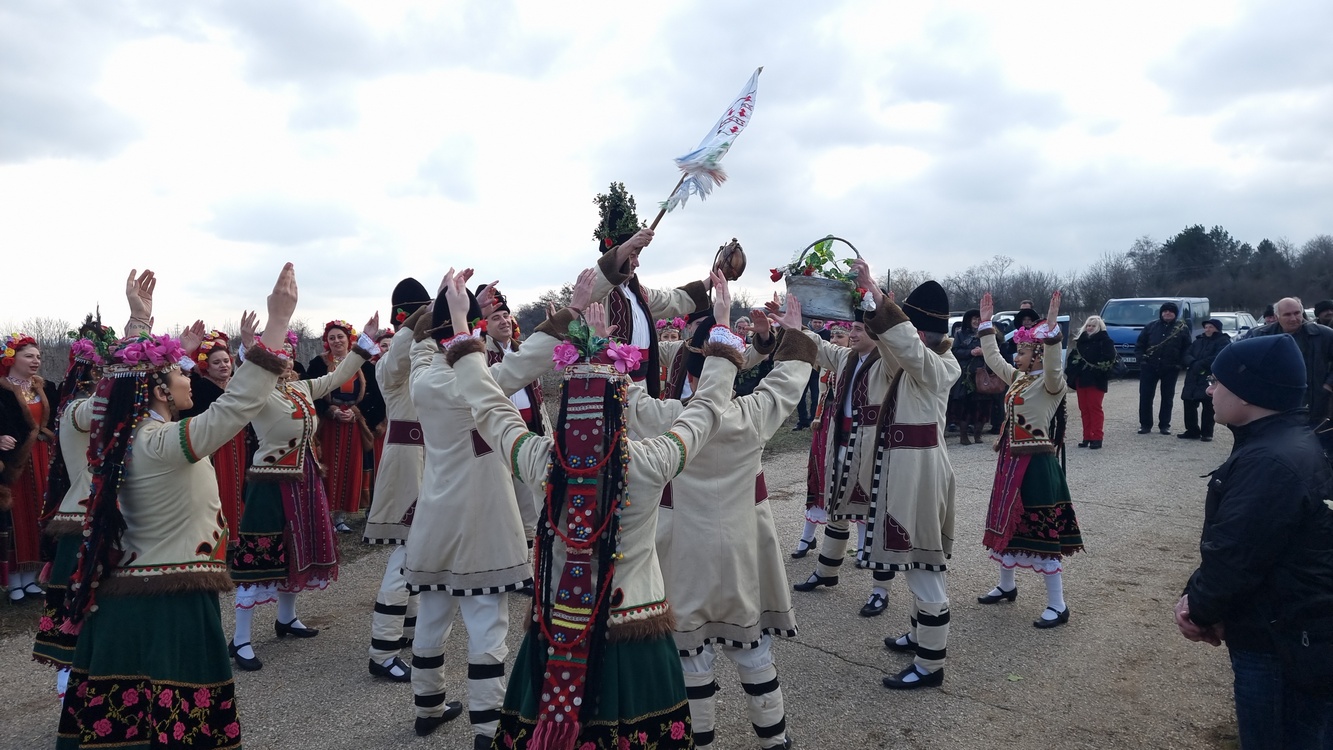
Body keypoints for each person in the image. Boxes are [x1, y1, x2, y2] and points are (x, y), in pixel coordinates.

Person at [447, 276, 743, 750]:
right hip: (635, 630)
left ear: (566, 409)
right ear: (622, 409)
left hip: (558, 626)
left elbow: (486, 406)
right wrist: (723, 332)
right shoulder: (650, 461)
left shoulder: (544, 461)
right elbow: (706, 409)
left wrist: (462, 322)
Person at [56, 263, 298, 749]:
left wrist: (139, 326)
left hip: (121, 597)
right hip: (172, 602)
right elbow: (236, 407)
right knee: (179, 718)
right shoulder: (162, 442)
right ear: (161, 391)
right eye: (180, 372)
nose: (190, 375)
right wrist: (276, 323)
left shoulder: (118, 436)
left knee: (123, 720)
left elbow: (118, 387)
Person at [404, 268, 595, 746]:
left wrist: (454, 307)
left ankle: (427, 705)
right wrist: (571, 310)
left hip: (434, 515)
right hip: (482, 516)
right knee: (487, 623)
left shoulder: (424, 379)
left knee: (431, 616)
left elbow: (423, 344)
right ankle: (487, 727)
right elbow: (527, 361)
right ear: (468, 336)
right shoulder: (477, 382)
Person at [623, 297, 814, 749]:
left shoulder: (664, 418)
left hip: (683, 551)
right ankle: (776, 741)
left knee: (691, 657)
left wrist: (618, 326)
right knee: (754, 652)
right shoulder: (750, 415)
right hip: (742, 549)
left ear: (689, 372)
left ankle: (701, 742)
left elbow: (626, 394)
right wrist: (792, 333)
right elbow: (789, 379)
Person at [1175, 334, 1333, 748]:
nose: (1208, 389)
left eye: (1216, 380)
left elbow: (1236, 555)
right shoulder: (1286, 443)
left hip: (1279, 645)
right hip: (1289, 632)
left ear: (1247, 391)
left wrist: (1199, 607)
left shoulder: (1270, 462)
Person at [820, 267, 960, 690]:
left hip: (919, 477)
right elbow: (872, 347)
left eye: (913, 328)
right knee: (914, 561)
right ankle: (919, 637)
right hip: (904, 474)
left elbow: (910, 353)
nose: (908, 336)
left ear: (926, 333)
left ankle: (930, 666)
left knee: (924, 566)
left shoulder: (942, 365)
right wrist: (870, 303)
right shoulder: (904, 359)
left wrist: (882, 301)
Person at [229, 312, 380, 672]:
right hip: (269, 482)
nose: (282, 359)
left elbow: (339, 376)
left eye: (285, 353)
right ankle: (240, 640)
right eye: (275, 354)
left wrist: (363, 345)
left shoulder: (301, 387)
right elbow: (241, 381)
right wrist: (249, 347)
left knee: (299, 550)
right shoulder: (257, 392)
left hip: (305, 475)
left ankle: (286, 618)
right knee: (261, 556)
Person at [975, 291, 1083, 631]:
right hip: (1010, 460)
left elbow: (1054, 365)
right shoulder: (1019, 379)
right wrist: (987, 325)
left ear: (1037, 355)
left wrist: (1051, 332)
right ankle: (1007, 585)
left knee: (1041, 530)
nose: (1016, 355)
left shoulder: (1052, 384)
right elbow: (993, 361)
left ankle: (1058, 604)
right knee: (1006, 521)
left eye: (1022, 350)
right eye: (1018, 350)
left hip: (1036, 463)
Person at [31, 310, 125, 700]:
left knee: (104, 607)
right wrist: (138, 328)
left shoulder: (105, 411)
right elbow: (111, 398)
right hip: (83, 520)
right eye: (105, 372)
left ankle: (103, 681)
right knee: (79, 604)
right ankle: (70, 686)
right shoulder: (80, 410)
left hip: (103, 518)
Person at [363, 278, 432, 683]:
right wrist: (430, 311)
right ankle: (383, 648)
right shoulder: (388, 366)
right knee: (405, 555)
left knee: (418, 550)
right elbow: (404, 347)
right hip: (407, 463)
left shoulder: (424, 364)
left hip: (427, 460)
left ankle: (406, 631)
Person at [592, 227, 713, 396]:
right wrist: (629, 245)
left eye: (637, 256)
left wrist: (712, 280)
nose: (637, 263)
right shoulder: (598, 291)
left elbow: (673, 299)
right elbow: (597, 281)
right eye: (632, 256)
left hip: (642, 383)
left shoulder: (640, 293)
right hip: (610, 383)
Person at [479, 283, 549, 548]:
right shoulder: (481, 353)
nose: (504, 321)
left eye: (506, 315)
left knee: (531, 496)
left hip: (531, 427)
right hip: (499, 432)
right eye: (495, 317)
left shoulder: (522, 349)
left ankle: (529, 559)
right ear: (484, 324)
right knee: (504, 500)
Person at [1, 330, 59, 602]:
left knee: (39, 512)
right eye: (29, 356)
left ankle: (30, 579)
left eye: (38, 356)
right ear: (12, 358)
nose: (36, 361)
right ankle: (13, 581)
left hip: (42, 458)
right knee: (16, 516)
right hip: (13, 463)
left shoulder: (44, 387)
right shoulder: (1, 389)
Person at [305, 319, 375, 533]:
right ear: (327, 341)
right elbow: (310, 391)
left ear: (348, 339)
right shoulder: (318, 364)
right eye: (331, 337)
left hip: (353, 425)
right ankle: (323, 515)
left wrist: (356, 412)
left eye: (340, 337)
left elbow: (373, 394)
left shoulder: (362, 364)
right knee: (327, 467)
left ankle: (340, 517)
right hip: (328, 425)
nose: (336, 341)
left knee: (348, 467)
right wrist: (331, 410)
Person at [181, 329, 248, 547]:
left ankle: (239, 537)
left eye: (226, 361)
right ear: (206, 367)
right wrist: (185, 352)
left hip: (240, 444)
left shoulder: (236, 384)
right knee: (216, 490)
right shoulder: (200, 387)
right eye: (216, 362)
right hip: (214, 447)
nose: (223, 365)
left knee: (241, 489)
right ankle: (218, 541)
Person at [1247, 297, 1333, 456]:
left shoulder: (1323, 335)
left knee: (1317, 454)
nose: (1294, 318)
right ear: (1276, 316)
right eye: (1287, 314)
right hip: (1273, 407)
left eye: (1297, 313)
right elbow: (1245, 366)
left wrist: (1328, 385)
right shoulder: (1259, 336)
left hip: (1315, 405)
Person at [1135, 302, 1190, 435]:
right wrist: (1141, 360)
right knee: (1146, 396)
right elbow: (1140, 344)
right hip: (1150, 366)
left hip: (1170, 367)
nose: (1167, 313)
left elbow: (1187, 347)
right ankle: (1145, 424)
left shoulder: (1182, 328)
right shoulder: (1151, 326)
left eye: (1170, 311)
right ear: (1161, 313)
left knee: (1167, 397)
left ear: (1175, 314)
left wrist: (1181, 364)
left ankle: (1164, 425)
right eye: (1165, 311)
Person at [1065, 315, 1116, 449]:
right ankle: (1087, 436)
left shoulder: (1105, 341)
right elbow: (1071, 360)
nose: (1090, 328)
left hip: (1096, 380)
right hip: (1081, 379)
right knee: (1084, 409)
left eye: (1093, 326)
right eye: (1088, 325)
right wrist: (1072, 373)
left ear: (1099, 327)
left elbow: (1109, 359)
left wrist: (1096, 370)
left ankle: (1097, 437)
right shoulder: (1080, 342)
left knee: (1094, 408)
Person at [1179, 319, 1230, 441]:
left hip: (1210, 375)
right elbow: (1187, 353)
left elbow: (1219, 356)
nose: (1208, 329)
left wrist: (1201, 364)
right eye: (1206, 327)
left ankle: (1207, 433)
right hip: (1193, 375)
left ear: (1217, 328)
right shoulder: (1198, 341)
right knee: (1188, 402)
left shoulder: (1223, 341)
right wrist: (1192, 362)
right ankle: (1192, 430)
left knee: (1208, 404)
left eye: (1211, 327)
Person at [949, 309, 993, 446]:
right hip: (966, 376)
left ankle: (978, 435)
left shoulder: (987, 334)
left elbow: (996, 350)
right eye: (974, 319)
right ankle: (963, 436)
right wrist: (971, 352)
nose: (976, 321)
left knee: (982, 407)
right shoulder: (960, 334)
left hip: (984, 374)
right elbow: (955, 351)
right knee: (965, 408)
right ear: (969, 320)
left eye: (979, 319)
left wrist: (984, 352)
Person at [795, 318, 831, 431]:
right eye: (815, 322)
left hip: (818, 370)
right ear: (811, 322)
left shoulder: (827, 334)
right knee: (800, 396)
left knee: (816, 396)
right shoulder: (804, 333)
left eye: (820, 322)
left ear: (823, 323)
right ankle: (802, 420)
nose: (817, 324)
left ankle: (813, 419)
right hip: (804, 367)